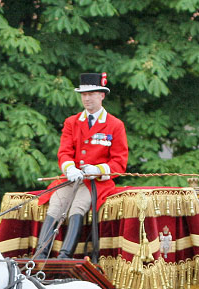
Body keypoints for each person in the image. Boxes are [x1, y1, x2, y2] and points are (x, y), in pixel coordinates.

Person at [35, 73, 129, 259]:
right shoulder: (72, 122)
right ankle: (40, 253)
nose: (86, 98)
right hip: (72, 178)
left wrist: (99, 170)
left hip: (97, 183)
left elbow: (119, 162)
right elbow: (64, 152)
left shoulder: (115, 125)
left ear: (102, 95)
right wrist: (69, 168)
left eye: (91, 94)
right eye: (83, 94)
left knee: (78, 206)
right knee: (56, 204)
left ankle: (65, 255)